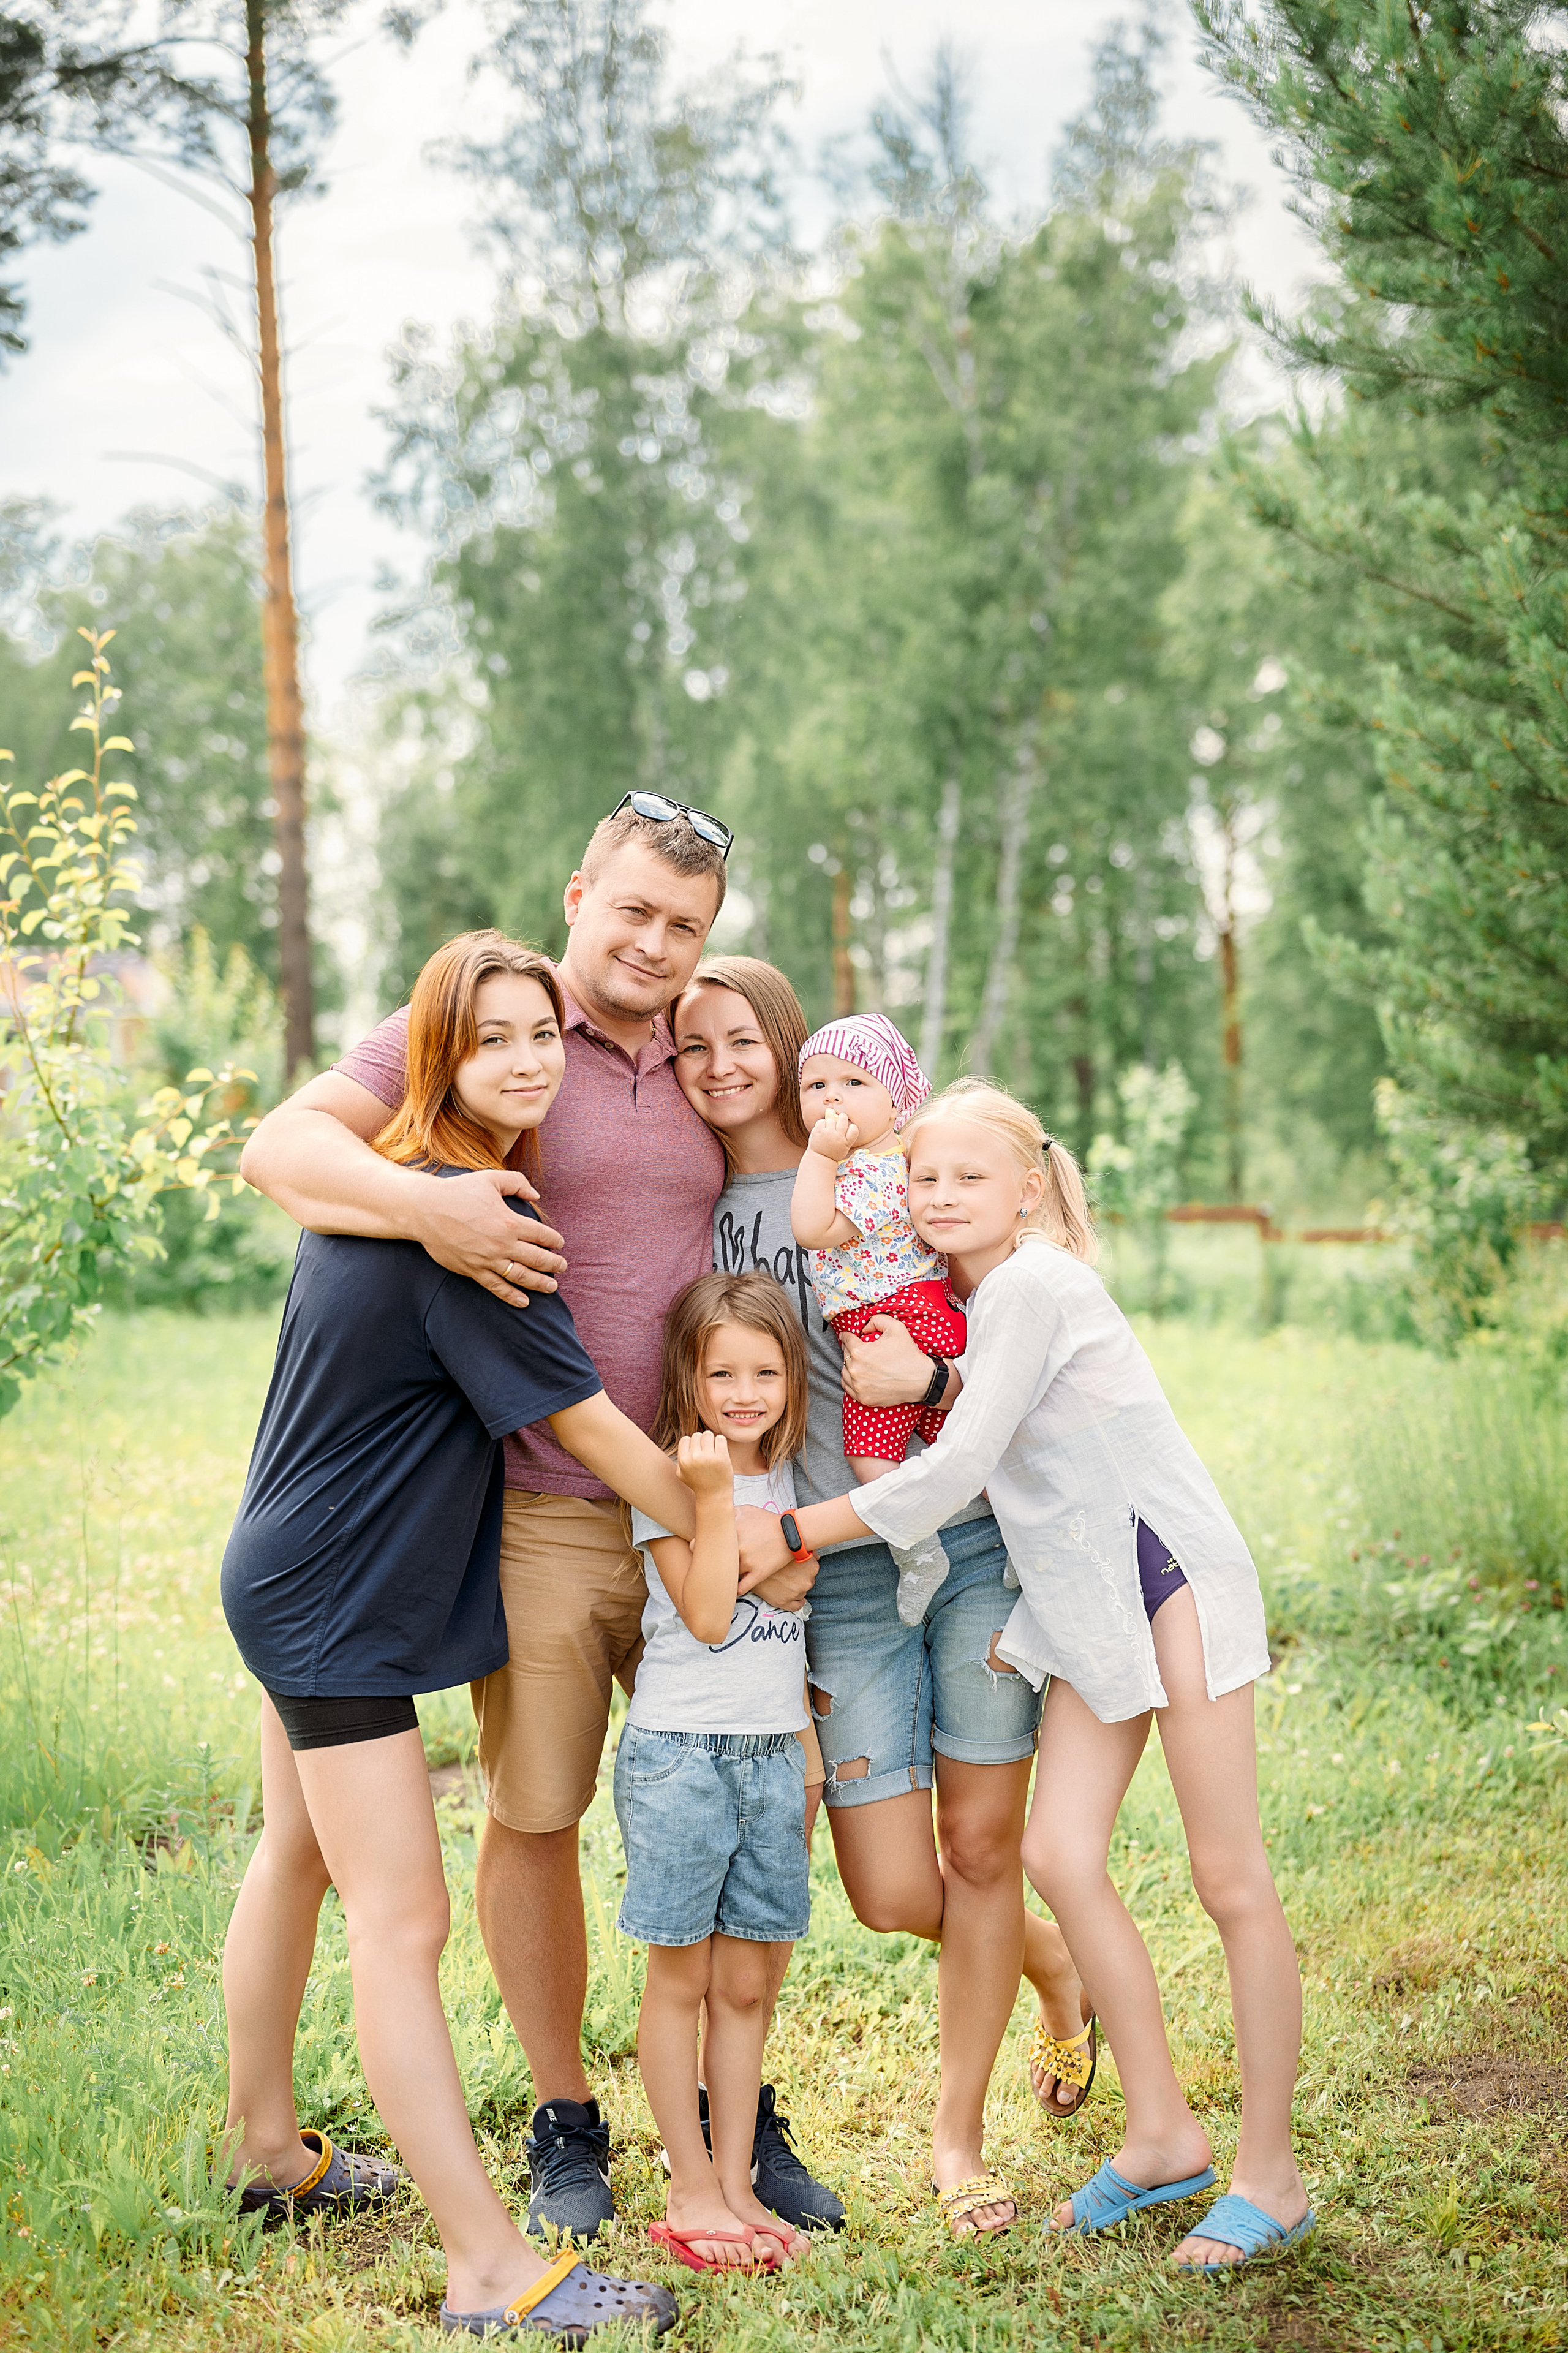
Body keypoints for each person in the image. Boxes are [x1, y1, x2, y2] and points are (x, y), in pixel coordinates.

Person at [237, 801, 837, 2240]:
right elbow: (279, 1144)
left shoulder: (701, 1047)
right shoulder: (483, 1021)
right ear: (580, 893)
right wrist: (425, 1207)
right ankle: (565, 2114)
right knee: (538, 1812)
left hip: (709, 1500)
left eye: (680, 925)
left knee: (747, 1786)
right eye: (628, 910)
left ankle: (728, 2110)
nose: (648, 943)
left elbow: (811, 1189)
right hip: (546, 1513)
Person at [737, 1077, 1314, 2273]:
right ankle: (1159, 2132)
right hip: (1084, 1603)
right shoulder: (958, 1297)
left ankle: (1270, 2173)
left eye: (968, 1177)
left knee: (1228, 1878)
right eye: (923, 1178)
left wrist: (793, 1533)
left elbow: (946, 1479)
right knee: (1055, 1856)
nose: (940, 1197)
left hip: (1169, 1583)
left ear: (1029, 1188)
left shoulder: (1034, 1285)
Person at [219, 934, 684, 2340]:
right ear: (437, 1056)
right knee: (401, 1916)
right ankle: (488, 2267)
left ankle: (264, 2148)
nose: (531, 1058)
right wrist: (743, 1532)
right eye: (493, 1039)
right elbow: (595, 1430)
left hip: (293, 1564)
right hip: (334, 1600)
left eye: (543, 1030)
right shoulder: (468, 1220)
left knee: (296, 1852)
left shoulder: (395, 1190)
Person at [674, 960, 1098, 2239]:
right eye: (694, 1048)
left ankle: (954, 2145)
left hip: (969, 1547)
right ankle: (1046, 1958)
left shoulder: (909, 1161)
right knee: (887, 1890)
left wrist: (932, 1368)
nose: (720, 1067)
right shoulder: (686, 1195)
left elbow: (1013, 1336)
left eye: (746, 1042)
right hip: (836, 1567)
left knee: (978, 1851)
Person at [618, 1272, 820, 2274]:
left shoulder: (794, 1481)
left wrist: (772, 1549)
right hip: (683, 1756)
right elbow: (706, 1614)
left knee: (746, 1984)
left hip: (773, 1753)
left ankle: (737, 2181)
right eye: (722, 1372)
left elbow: (801, 1581)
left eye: (765, 1372)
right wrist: (718, 1509)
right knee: (682, 1977)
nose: (744, 1393)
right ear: (689, 1377)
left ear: (793, 1378)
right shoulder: (668, 1478)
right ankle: (690, 2186)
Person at [791, 1012, 968, 1625]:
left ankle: (917, 1551)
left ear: (897, 1101)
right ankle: (1023, 1542)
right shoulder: (897, 1161)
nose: (831, 1097)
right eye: (815, 1086)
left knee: (869, 1455)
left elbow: (812, 1228)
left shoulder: (874, 1168)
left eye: (853, 1083)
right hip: (928, 1315)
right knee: (964, 1445)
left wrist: (817, 1157)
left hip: (888, 1322)